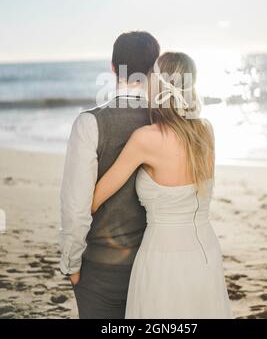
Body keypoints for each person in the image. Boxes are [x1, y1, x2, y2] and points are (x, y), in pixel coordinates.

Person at [92, 51, 232, 319]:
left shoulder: (145, 138)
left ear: (157, 83)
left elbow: (95, 198)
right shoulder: (206, 131)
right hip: (205, 252)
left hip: (163, 256)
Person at [60, 31, 160, 319]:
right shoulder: (165, 123)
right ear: (154, 69)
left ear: (113, 67)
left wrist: (72, 265)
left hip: (101, 268)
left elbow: (76, 206)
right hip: (153, 264)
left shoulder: (90, 123)